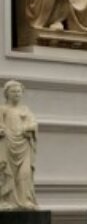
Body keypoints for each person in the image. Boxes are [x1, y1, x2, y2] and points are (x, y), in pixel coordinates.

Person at [0, 80, 38, 210]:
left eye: (19, 91)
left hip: (23, 145)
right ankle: (5, 200)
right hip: (7, 144)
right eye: (13, 91)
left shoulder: (25, 110)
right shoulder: (2, 109)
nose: (16, 94)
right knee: (7, 172)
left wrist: (29, 128)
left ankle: (24, 200)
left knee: (24, 173)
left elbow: (33, 124)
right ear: (7, 94)